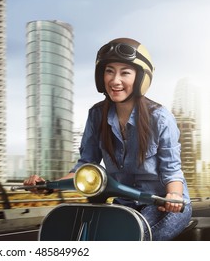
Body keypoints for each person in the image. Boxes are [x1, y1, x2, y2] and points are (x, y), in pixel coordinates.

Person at [23, 37, 192, 241]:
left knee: (130, 240)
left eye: (125, 73)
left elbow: (171, 171)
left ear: (141, 78)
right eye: (109, 71)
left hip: (162, 206)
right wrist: (48, 185)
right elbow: (86, 165)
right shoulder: (96, 115)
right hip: (124, 205)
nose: (115, 80)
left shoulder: (160, 118)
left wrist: (173, 197)